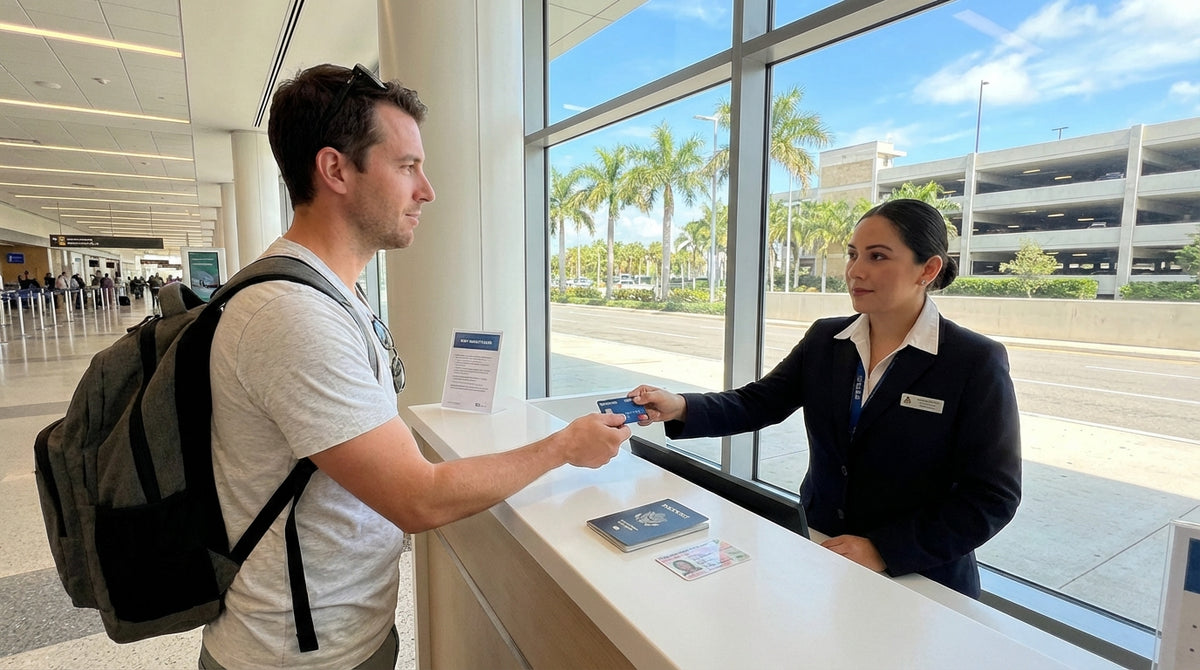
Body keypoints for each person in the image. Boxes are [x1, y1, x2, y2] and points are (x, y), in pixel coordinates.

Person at [196, 63, 631, 670]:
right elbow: (416, 500)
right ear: (335, 169)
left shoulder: (334, 293)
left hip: (339, 633)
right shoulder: (291, 316)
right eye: (407, 167)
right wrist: (563, 446)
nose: (426, 190)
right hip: (294, 657)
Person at [628, 199, 1021, 599]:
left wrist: (884, 549)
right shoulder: (826, 341)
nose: (855, 271)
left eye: (877, 256)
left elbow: (992, 496)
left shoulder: (972, 361)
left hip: (921, 577)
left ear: (929, 269)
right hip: (821, 549)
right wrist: (680, 405)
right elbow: (759, 402)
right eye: (853, 255)